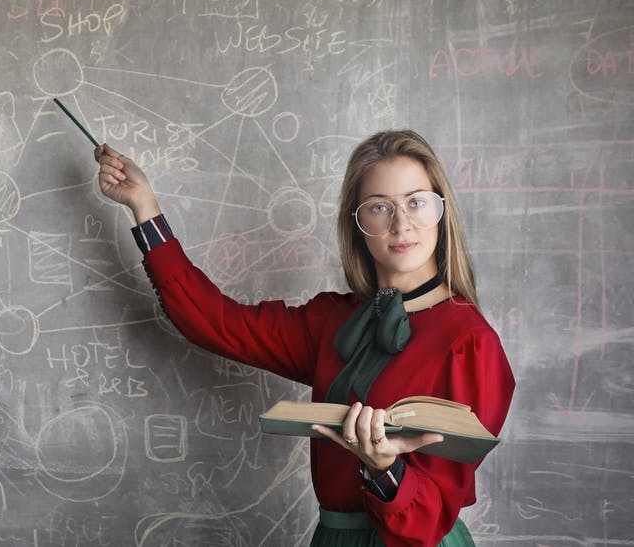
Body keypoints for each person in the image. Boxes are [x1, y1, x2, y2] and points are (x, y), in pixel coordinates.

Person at [93, 130, 514, 546]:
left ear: (442, 212)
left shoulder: (470, 341)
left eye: (417, 202)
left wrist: (385, 470)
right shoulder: (332, 320)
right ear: (358, 223)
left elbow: (430, 520)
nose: (401, 223)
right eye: (379, 207)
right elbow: (213, 322)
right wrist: (145, 208)